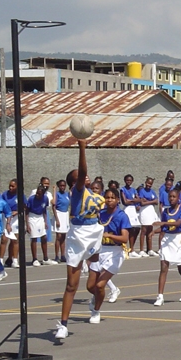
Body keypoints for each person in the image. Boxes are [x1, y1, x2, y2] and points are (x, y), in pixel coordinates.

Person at [55, 139, 105, 340]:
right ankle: (63, 325)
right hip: (78, 235)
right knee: (71, 285)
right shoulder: (77, 193)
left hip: (94, 233)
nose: (85, 177)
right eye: (79, 177)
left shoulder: (95, 195)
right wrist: (82, 148)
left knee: (94, 285)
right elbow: (82, 171)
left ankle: (96, 303)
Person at [85, 188, 131, 323]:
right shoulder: (101, 214)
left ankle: (96, 311)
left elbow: (124, 239)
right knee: (90, 286)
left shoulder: (122, 216)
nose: (109, 200)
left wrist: (110, 235)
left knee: (100, 285)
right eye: (107, 197)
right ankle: (97, 297)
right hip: (99, 250)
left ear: (117, 200)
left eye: (112, 198)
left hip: (115, 252)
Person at [152, 188, 181, 306]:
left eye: (174, 197)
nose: (171, 199)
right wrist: (154, 232)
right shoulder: (165, 211)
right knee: (164, 267)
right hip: (167, 240)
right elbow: (164, 228)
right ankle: (160, 296)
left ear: (178, 198)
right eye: (170, 197)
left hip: (179, 239)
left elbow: (178, 223)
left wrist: (164, 223)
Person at [26, 184, 54, 265]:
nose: (37, 195)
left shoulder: (45, 198)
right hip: (32, 217)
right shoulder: (31, 199)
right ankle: (34, 259)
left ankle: (45, 258)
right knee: (34, 238)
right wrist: (27, 224)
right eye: (37, 193)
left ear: (43, 194)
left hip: (41, 217)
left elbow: (44, 210)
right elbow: (26, 212)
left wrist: (45, 221)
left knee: (44, 237)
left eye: (39, 194)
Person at [120, 175, 142, 256]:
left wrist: (132, 200)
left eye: (130, 180)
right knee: (130, 229)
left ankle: (132, 249)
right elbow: (125, 201)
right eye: (127, 180)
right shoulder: (122, 189)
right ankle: (128, 249)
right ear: (125, 181)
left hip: (133, 210)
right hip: (127, 209)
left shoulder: (134, 190)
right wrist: (134, 200)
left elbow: (139, 199)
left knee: (137, 228)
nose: (129, 182)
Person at [137, 176, 159, 257]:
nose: (149, 185)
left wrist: (149, 201)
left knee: (150, 230)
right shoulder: (142, 191)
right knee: (143, 231)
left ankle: (150, 249)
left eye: (150, 184)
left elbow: (156, 202)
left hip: (151, 212)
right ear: (145, 182)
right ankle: (142, 250)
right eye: (148, 183)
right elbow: (142, 203)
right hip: (144, 211)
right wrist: (152, 201)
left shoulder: (152, 191)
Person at [52, 179, 71, 263]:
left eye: (64, 185)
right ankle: (56, 255)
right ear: (59, 186)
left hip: (65, 214)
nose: (62, 187)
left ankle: (63, 255)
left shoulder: (67, 194)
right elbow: (53, 206)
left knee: (63, 237)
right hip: (59, 214)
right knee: (58, 237)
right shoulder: (57, 194)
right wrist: (57, 219)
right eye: (61, 186)